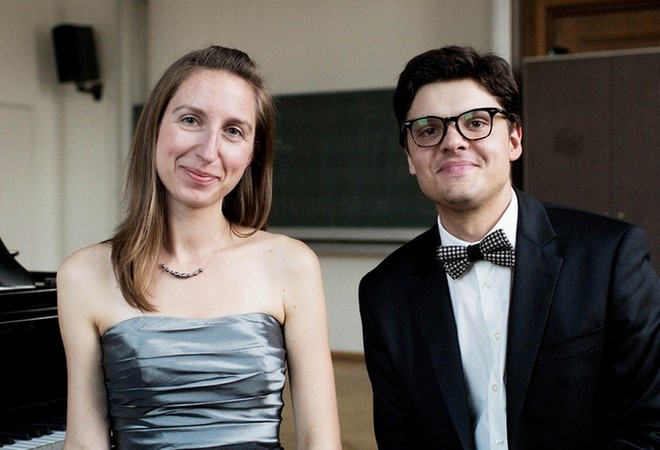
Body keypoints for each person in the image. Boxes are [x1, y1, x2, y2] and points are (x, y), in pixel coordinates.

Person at [359, 45, 660, 449]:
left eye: (476, 122)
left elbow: (649, 427)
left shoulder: (609, 256)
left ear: (515, 139)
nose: (453, 141)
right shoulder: (384, 292)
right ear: (410, 157)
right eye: (428, 130)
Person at [57, 45, 341, 450]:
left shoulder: (291, 264)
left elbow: (320, 441)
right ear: (154, 128)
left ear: (251, 154)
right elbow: (85, 443)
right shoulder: (83, 275)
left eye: (234, 131)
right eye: (191, 120)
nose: (209, 151)